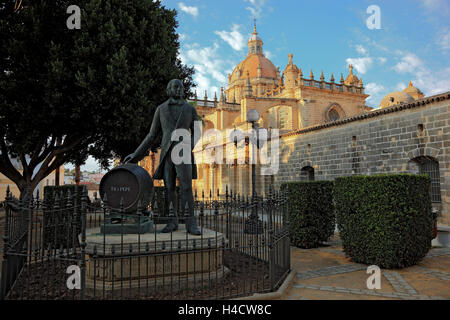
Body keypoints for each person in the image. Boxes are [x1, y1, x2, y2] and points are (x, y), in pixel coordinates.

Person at [124, 79, 202, 235]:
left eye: (181, 87)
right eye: (175, 87)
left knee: (186, 188)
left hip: (183, 152)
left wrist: (190, 145)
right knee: (169, 189)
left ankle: (191, 223)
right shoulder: (161, 109)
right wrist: (137, 153)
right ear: (169, 90)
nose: (179, 89)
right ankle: (172, 222)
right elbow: (152, 135)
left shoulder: (189, 109)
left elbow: (198, 131)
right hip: (166, 153)